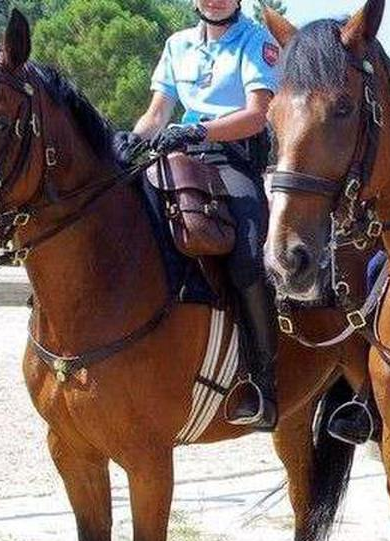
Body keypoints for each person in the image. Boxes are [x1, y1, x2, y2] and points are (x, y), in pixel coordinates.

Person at [119, 0, 283, 430]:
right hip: (176, 155)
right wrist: (132, 142)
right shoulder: (178, 44)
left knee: (249, 257)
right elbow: (158, 114)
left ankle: (263, 380)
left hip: (230, 160)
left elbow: (257, 115)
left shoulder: (257, 40)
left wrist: (201, 128)